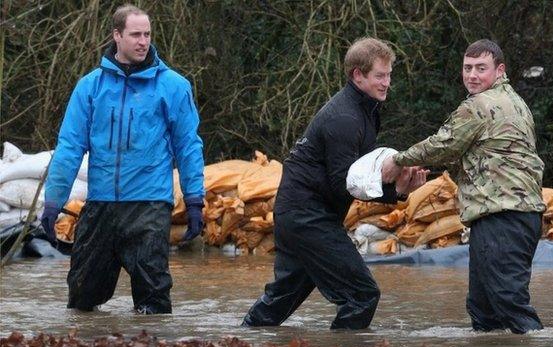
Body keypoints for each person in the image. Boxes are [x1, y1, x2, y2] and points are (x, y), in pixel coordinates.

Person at [242, 37, 428, 329]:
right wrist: (394, 190)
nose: (387, 82)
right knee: (362, 295)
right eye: (380, 75)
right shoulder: (345, 118)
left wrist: (398, 188)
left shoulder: (365, 112)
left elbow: (359, 174)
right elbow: (346, 183)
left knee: (281, 299)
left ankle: (240, 341)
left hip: (300, 213)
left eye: (389, 74)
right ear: (358, 75)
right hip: (307, 217)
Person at [40, 4, 205, 314]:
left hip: (149, 206)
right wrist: (53, 201)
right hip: (101, 204)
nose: (143, 41)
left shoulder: (173, 87)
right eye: (135, 35)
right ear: (117, 35)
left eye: (147, 34)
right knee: (81, 299)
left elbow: (188, 147)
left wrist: (195, 200)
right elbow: (69, 147)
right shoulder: (90, 88)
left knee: (153, 300)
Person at [382, 39, 546, 334]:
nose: (472, 75)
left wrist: (398, 160)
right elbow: (478, 155)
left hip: (503, 217)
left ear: (499, 70)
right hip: (512, 216)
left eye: (480, 68)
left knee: (509, 302)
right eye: (467, 68)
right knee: (482, 307)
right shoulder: (516, 102)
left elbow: (443, 145)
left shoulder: (479, 105)